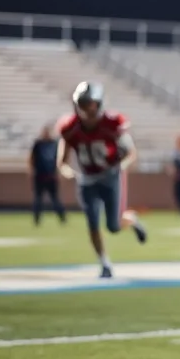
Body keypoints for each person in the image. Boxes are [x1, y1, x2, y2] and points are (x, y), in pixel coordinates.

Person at [56, 82, 148, 277]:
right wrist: (69, 172)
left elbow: (131, 153)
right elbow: (62, 162)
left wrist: (119, 167)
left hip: (110, 177)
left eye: (90, 103)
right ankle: (104, 263)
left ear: (99, 104)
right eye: (83, 104)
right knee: (92, 222)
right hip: (87, 179)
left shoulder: (112, 124)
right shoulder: (70, 128)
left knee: (113, 226)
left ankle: (130, 220)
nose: (87, 109)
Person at [29, 125, 66, 226]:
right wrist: (32, 171)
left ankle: (62, 218)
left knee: (55, 199)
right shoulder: (38, 144)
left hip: (51, 176)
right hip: (40, 176)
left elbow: (58, 159)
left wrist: (59, 172)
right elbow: (32, 158)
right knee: (38, 199)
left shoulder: (55, 144)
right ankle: (37, 220)